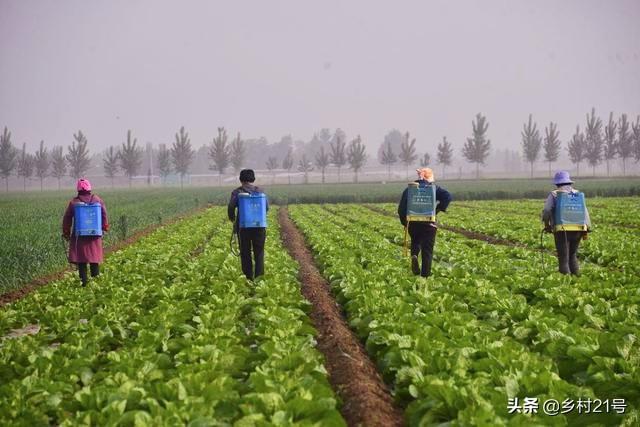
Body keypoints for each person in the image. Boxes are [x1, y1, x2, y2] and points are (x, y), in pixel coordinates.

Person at [397, 168, 452, 277]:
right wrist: (438, 209)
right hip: (428, 224)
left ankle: (414, 255)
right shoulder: (433, 188)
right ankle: (425, 276)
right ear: (430, 177)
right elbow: (448, 196)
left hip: (413, 222)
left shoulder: (410, 189)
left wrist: (405, 223)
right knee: (427, 251)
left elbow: (401, 209)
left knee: (415, 240)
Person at [542, 171, 591, 275]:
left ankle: (567, 282)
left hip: (562, 230)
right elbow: (584, 211)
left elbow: (546, 210)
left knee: (563, 257)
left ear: (557, 184)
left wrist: (547, 225)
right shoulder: (577, 194)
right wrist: (586, 228)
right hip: (578, 229)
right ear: (569, 183)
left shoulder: (554, 194)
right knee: (572, 255)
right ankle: (576, 278)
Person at [62, 178, 109, 286]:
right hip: (94, 235)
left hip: (80, 236)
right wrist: (105, 226)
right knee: (94, 259)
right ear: (89, 188)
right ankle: (96, 282)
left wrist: (66, 232)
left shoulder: (74, 202)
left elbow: (67, 218)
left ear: (78, 190)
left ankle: (84, 283)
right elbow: (104, 214)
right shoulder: (97, 199)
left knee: (81, 261)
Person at [228, 169, 269, 280]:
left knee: (245, 253)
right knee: (259, 253)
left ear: (240, 179)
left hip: (244, 227)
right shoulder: (260, 192)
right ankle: (259, 279)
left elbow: (231, 207)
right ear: (253, 179)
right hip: (260, 226)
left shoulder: (237, 192)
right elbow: (266, 208)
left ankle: (248, 279)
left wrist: (232, 219)